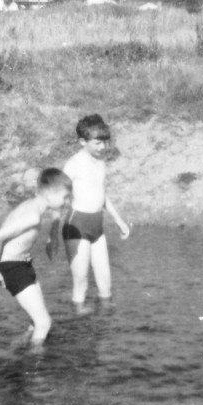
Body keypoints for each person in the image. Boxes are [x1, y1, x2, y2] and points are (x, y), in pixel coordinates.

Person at [0, 167, 72, 349]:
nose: (67, 202)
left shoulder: (34, 206)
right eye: (65, 197)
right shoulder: (32, 216)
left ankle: (15, 351)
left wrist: (55, 223)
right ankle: (35, 368)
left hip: (23, 265)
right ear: (50, 194)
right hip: (13, 267)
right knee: (44, 323)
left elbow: (51, 250)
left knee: (35, 322)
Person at [62, 114, 131, 314]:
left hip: (97, 226)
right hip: (77, 225)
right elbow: (58, 194)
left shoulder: (100, 161)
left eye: (105, 142)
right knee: (81, 282)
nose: (102, 147)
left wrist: (119, 220)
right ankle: (78, 322)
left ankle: (105, 320)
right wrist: (51, 234)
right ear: (82, 141)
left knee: (105, 283)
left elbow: (101, 194)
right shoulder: (73, 164)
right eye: (97, 143)